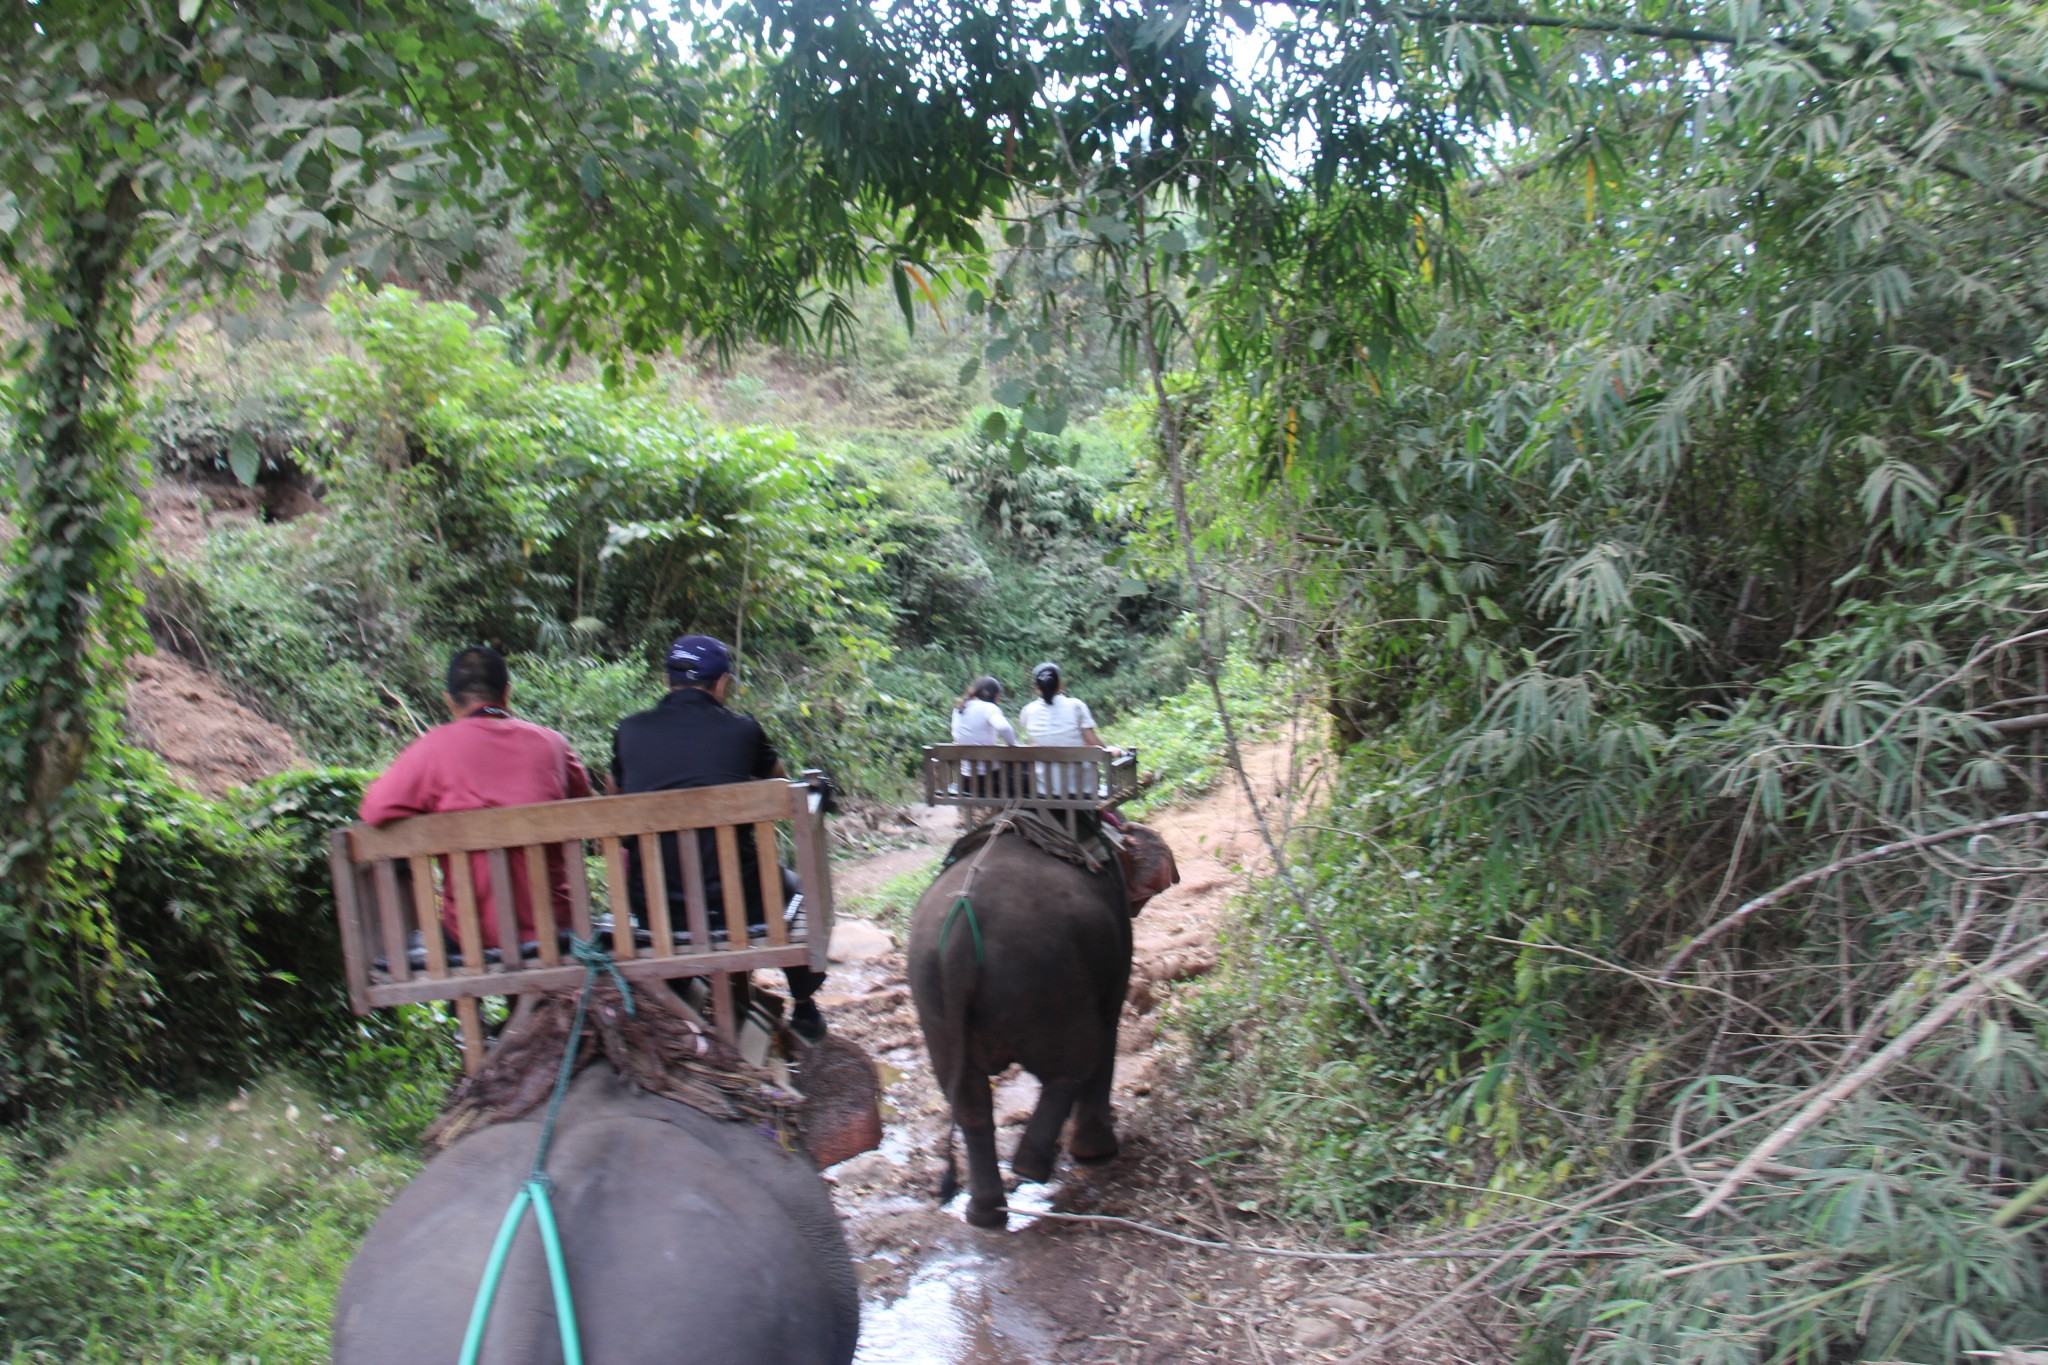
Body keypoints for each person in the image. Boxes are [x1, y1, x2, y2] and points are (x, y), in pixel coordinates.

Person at [611, 633, 828, 1039]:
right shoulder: (742, 730)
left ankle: (679, 991)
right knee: (796, 889)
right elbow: (779, 787)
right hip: (740, 904)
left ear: (666, 680)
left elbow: (613, 797)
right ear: (722, 684)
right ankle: (804, 1007)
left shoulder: (629, 731)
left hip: (655, 910)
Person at [360, 646, 593, 957]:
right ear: (507, 693)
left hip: (472, 935)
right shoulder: (552, 744)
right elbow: (585, 806)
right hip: (557, 929)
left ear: (449, 701)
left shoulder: (432, 750)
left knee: (450, 937)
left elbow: (373, 810)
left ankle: (466, 1008)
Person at [1018, 660, 1122, 800]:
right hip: (1082, 788)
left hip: (1045, 790)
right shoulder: (1076, 706)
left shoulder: (1028, 711)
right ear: (1060, 683)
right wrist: (1108, 750)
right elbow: (1092, 741)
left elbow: (1035, 741)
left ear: (1037, 687)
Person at [950, 675, 1017, 797]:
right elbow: (1004, 727)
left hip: (965, 781)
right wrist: (1013, 744)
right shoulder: (989, 708)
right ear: (996, 697)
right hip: (989, 780)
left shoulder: (959, 709)